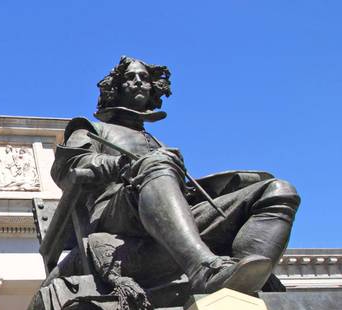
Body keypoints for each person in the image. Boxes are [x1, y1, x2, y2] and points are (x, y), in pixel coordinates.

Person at [51, 56, 300, 293]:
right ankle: (204, 270)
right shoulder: (91, 128)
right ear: (114, 88)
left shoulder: (154, 140)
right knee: (156, 164)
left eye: (144, 78)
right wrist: (124, 163)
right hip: (117, 216)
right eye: (130, 77)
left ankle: (245, 280)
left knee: (277, 190)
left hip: (170, 220)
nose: (139, 81)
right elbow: (69, 168)